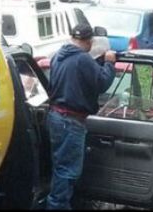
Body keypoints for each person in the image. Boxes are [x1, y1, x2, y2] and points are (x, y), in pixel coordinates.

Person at [46, 24, 117, 209]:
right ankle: (57, 206)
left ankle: (60, 204)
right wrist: (109, 63)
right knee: (67, 172)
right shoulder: (82, 59)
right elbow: (101, 83)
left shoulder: (57, 57)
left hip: (55, 117)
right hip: (71, 122)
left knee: (60, 168)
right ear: (89, 41)